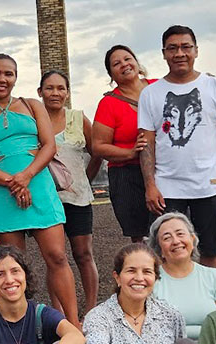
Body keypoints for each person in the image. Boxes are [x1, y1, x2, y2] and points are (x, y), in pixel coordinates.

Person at [0, 54, 79, 326]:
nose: (2, 79)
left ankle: (72, 323)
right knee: (11, 265)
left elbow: (49, 146)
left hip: (37, 183)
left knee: (57, 256)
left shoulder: (32, 105)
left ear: (15, 78)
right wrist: (12, 183)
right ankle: (21, 325)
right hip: (1, 191)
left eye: (8, 74)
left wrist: (26, 177)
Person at [139, 25, 216, 270]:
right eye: (172, 48)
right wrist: (150, 185)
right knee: (165, 251)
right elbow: (147, 143)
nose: (179, 53)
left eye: (186, 47)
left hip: (208, 183)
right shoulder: (151, 93)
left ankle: (215, 303)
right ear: (164, 53)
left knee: (210, 249)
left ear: (196, 51)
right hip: (166, 186)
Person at [38, 70, 102, 312]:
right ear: (40, 92)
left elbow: (97, 152)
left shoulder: (78, 118)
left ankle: (92, 310)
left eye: (61, 88)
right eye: (49, 88)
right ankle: (59, 313)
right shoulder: (34, 120)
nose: (55, 93)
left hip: (78, 198)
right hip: (47, 200)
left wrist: (86, 178)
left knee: (83, 253)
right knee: (55, 258)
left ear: (67, 92)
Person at [92, 45, 153, 242]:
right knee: (141, 238)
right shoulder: (108, 104)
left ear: (137, 62)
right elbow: (98, 146)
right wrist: (131, 152)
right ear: (111, 74)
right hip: (128, 176)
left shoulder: (159, 87)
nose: (124, 65)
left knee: (173, 229)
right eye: (116, 64)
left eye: (128, 59)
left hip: (165, 170)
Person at [147, 212, 216, 339]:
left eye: (180, 234)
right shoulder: (151, 280)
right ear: (160, 250)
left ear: (192, 239)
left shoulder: (214, 276)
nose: (176, 241)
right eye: (167, 238)